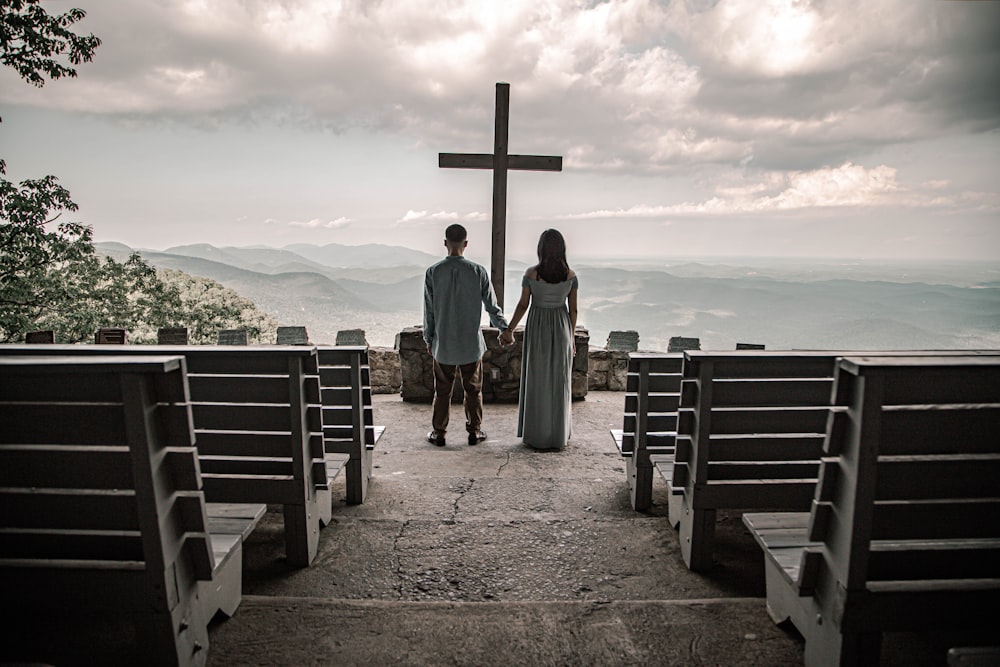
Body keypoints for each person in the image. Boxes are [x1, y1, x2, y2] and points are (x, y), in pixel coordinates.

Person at [423, 223, 510, 447]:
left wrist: (428, 338)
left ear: (445, 243)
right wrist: (504, 329)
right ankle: (474, 431)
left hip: (443, 344)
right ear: (466, 243)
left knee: (442, 391)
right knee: (473, 390)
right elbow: (492, 306)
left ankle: (439, 432)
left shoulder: (433, 272)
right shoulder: (478, 271)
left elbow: (429, 310)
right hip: (471, 344)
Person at [499, 229, 578, 451]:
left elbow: (523, 305)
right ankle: (557, 435)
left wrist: (509, 330)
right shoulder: (571, 276)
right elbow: (574, 310)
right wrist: (571, 337)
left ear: (540, 250)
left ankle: (536, 434)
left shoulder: (532, 274)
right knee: (559, 380)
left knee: (537, 379)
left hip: (538, 327)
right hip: (561, 327)